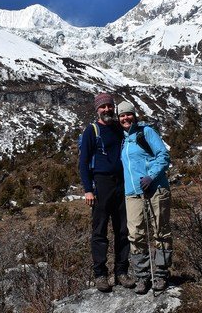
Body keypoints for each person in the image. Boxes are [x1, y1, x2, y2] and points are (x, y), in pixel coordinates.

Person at [78, 93, 135, 292]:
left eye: (109, 106)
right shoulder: (91, 131)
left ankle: (121, 272)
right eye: (103, 107)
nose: (107, 110)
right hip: (101, 184)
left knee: (123, 230)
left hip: (122, 183)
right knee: (100, 231)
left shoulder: (119, 129)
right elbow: (83, 163)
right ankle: (100, 274)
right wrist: (88, 190)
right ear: (97, 110)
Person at [116, 100, 172, 294]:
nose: (125, 118)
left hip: (155, 189)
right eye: (122, 115)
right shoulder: (122, 139)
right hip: (132, 193)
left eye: (128, 114)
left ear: (134, 115)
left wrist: (151, 176)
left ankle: (161, 274)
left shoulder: (146, 132)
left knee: (160, 231)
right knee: (136, 234)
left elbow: (163, 156)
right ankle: (142, 276)